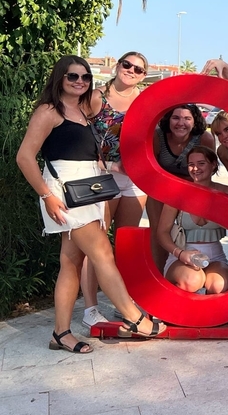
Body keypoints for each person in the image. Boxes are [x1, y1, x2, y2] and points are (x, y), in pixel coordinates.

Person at [16, 56, 166, 353]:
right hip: (64, 192)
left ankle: (61, 333)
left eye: (85, 77)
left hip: (88, 189)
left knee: (70, 263)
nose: (80, 82)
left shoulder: (83, 110)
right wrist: (47, 196)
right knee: (102, 252)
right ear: (60, 77)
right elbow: (24, 157)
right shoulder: (49, 111)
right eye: (73, 76)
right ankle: (134, 318)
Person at [82, 51, 149, 329]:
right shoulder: (97, 97)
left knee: (125, 243)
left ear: (144, 75)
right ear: (118, 65)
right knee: (95, 245)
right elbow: (78, 133)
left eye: (138, 69)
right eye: (127, 64)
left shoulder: (145, 101)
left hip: (133, 179)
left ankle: (125, 305)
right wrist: (104, 163)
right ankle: (90, 309)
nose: (131, 71)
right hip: (101, 176)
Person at [155, 146, 228, 293]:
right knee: (192, 281)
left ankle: (210, 316)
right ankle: (176, 314)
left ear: (213, 165)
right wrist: (180, 253)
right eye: (191, 164)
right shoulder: (178, 192)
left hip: (215, 254)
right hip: (182, 253)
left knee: (218, 285)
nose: (195, 168)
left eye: (201, 163)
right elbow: (162, 232)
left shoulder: (225, 192)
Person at [148, 104, 215, 269]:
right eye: (176, 117)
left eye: (187, 118)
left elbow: (208, 171)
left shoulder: (204, 138)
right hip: (160, 190)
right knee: (158, 233)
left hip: (190, 190)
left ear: (195, 121)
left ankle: (188, 268)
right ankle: (159, 274)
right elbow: (151, 168)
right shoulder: (158, 137)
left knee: (188, 231)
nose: (181, 123)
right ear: (168, 119)